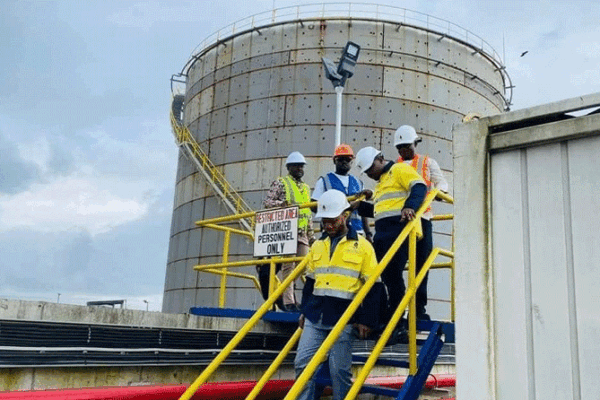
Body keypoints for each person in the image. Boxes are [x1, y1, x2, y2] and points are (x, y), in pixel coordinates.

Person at [295, 190, 383, 400]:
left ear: (345, 215)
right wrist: (304, 312)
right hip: (315, 316)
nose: (328, 226)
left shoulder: (363, 247)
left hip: (343, 318)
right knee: (302, 365)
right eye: (325, 222)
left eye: (333, 220)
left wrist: (366, 320)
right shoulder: (317, 245)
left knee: (339, 371)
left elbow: (374, 287)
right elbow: (310, 283)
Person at [352, 146, 427, 330]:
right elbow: (380, 211)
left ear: (381, 159)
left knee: (393, 276)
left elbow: (419, 186)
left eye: (371, 169)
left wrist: (410, 206)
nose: (370, 174)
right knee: (382, 277)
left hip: (399, 230)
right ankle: (388, 316)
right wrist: (359, 206)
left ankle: (396, 318)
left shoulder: (399, 169)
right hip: (383, 234)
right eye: (367, 172)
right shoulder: (380, 185)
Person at [394, 125, 448, 320]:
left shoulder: (427, 162)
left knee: (421, 265)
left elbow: (441, 182)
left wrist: (440, 193)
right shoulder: (393, 167)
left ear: (415, 143)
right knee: (395, 266)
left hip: (422, 219)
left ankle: (418, 310)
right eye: (399, 147)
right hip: (401, 221)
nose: (403, 151)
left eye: (406, 146)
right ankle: (397, 310)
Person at [261, 151, 315, 312]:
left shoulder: (306, 188)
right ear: (289, 167)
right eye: (296, 166)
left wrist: (311, 236)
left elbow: (307, 213)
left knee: (303, 265)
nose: (300, 168)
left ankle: (285, 293)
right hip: (287, 231)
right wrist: (282, 204)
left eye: (301, 166)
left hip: (302, 232)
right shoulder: (280, 183)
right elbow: (267, 202)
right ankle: (289, 302)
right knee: (288, 266)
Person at [311, 144, 372, 240]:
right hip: (332, 232)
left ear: (351, 161)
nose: (344, 162)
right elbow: (313, 205)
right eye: (340, 159)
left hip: (357, 232)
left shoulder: (358, 183)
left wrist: (368, 233)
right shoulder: (325, 181)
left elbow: (363, 211)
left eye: (347, 159)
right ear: (334, 161)